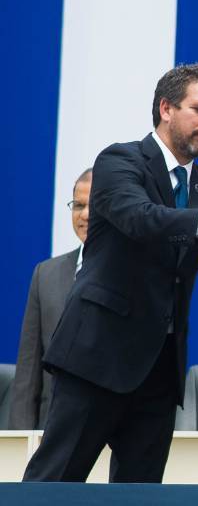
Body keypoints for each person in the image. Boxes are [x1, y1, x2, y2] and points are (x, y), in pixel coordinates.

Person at [22, 63, 198, 483]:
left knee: (140, 494)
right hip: (96, 359)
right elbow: (142, 220)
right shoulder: (119, 160)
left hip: (159, 371)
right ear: (166, 108)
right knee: (53, 484)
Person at [10, 169, 92, 430]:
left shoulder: (134, 273)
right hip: (50, 436)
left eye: (96, 205)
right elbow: (28, 371)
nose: (85, 215)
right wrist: (20, 445)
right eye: (78, 206)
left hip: (110, 442)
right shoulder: (45, 274)